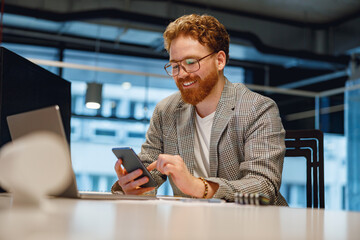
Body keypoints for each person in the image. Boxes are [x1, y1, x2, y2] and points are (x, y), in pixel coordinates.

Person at [112, 14, 287, 205]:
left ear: (220, 60)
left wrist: (198, 186)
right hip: (192, 224)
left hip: (252, 226)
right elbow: (149, 170)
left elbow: (264, 187)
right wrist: (134, 187)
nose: (182, 74)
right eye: (175, 66)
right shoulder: (166, 111)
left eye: (191, 62)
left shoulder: (257, 109)